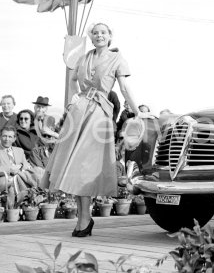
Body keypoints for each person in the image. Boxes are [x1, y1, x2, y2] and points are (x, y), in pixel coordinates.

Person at [41, 22, 141, 238]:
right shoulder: (84, 57)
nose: (99, 35)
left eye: (103, 32)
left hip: (99, 115)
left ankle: (84, 218)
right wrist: (72, 100)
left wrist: (137, 112)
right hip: (79, 112)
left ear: (110, 35)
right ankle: (83, 218)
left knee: (84, 166)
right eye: (95, 33)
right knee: (75, 166)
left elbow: (123, 88)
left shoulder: (117, 59)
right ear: (92, 37)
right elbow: (72, 78)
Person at [0, 125, 44, 191]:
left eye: (10, 137)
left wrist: (21, 167)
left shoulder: (19, 150)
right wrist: (10, 169)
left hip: (21, 175)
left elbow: (25, 165)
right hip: (6, 178)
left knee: (39, 170)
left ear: (14, 139)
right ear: (0, 137)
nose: (7, 139)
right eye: (4, 136)